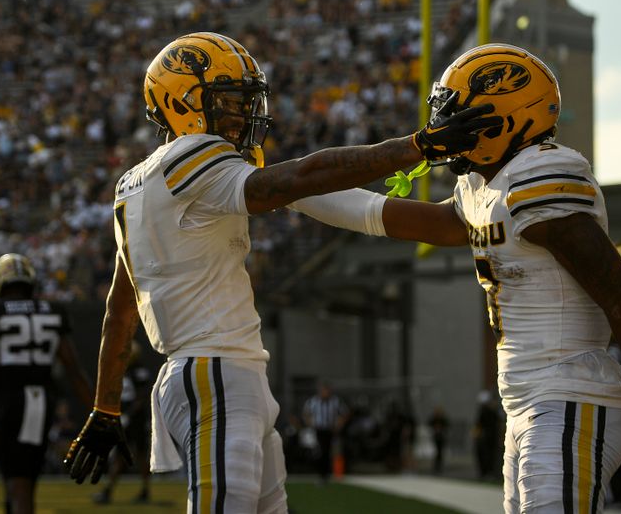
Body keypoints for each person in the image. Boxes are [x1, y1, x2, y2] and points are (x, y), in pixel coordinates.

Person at [63, 31, 500, 514]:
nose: (241, 115)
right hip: (214, 372)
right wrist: (416, 146)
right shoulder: (188, 157)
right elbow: (297, 180)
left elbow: (119, 313)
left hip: (216, 371)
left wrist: (105, 407)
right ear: (180, 102)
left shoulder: (135, 188)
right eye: (227, 102)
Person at [288, 43, 621, 512]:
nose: (444, 130)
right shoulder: (481, 187)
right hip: (528, 400)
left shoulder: (539, 175)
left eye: (458, 117)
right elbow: (381, 214)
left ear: (506, 118)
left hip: (571, 391)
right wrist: (283, 190)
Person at [0, 253, 93, 514]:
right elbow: (73, 369)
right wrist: (97, 413)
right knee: (23, 480)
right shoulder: (52, 310)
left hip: (9, 401)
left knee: (18, 482)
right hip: (42, 401)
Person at [92, 339, 152, 505]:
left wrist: (129, 415)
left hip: (135, 420)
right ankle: (109, 490)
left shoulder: (138, 371)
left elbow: (141, 397)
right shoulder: (122, 369)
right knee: (119, 455)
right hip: (124, 419)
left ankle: (143, 490)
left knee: (139, 455)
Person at [301, 382, 348, 483]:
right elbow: (306, 413)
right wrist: (310, 424)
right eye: (323, 391)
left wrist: (339, 425)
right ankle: (322, 474)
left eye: (326, 391)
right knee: (320, 452)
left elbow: (344, 413)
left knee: (328, 452)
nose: (325, 393)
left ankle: (326, 474)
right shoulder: (313, 401)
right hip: (318, 429)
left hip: (330, 430)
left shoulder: (335, 401)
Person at [427, 406, 449, 474]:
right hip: (436, 437)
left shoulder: (443, 419)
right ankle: (436, 465)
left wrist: (441, 428)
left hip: (441, 437)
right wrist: (435, 428)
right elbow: (429, 423)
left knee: (440, 452)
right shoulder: (434, 418)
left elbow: (447, 425)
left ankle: (439, 465)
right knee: (436, 452)